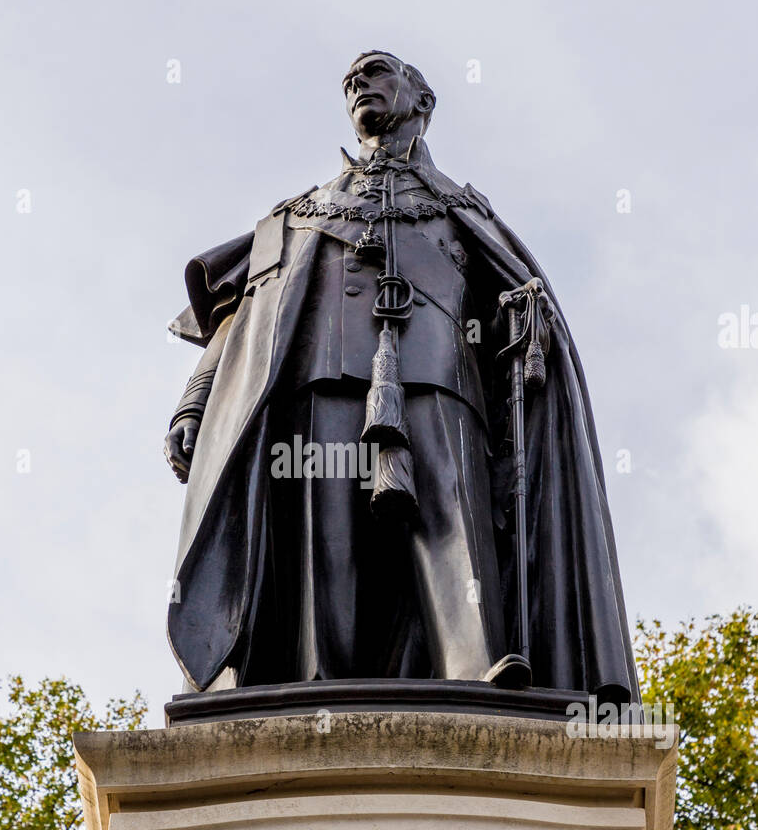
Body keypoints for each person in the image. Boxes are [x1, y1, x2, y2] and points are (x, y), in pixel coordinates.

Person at [164, 51, 639, 704]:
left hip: (439, 376)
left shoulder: (461, 207)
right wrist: (194, 406)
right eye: (351, 80)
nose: (360, 84)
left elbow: (514, 305)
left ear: (423, 99)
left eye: (377, 72)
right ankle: (319, 680)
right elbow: (240, 320)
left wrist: (526, 318)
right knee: (327, 538)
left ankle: (477, 664)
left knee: (452, 515)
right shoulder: (297, 214)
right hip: (321, 382)